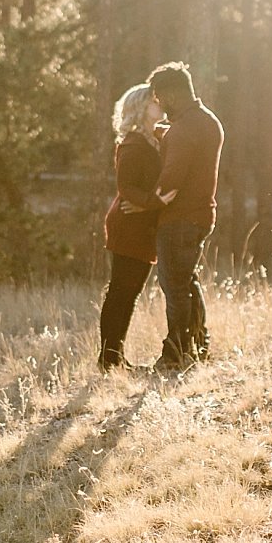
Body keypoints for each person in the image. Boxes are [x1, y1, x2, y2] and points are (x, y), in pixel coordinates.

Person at [145, 61, 223, 372]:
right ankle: (198, 344)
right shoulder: (208, 121)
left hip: (178, 219)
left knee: (174, 284)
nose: (158, 104)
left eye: (159, 97)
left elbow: (171, 184)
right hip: (202, 215)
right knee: (187, 281)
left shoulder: (183, 131)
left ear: (172, 95)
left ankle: (175, 352)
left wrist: (145, 205)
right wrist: (167, 134)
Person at [98, 82, 165, 371]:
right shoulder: (133, 143)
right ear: (140, 108)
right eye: (153, 101)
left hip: (141, 224)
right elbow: (126, 186)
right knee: (121, 292)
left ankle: (113, 357)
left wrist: (149, 204)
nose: (159, 103)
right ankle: (109, 359)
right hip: (128, 224)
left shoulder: (153, 138)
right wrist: (152, 202)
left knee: (128, 291)